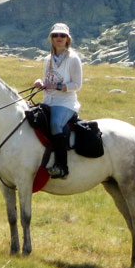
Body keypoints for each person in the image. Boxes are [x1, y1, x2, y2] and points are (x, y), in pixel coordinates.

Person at [33, 23, 82, 179]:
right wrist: (41, 83)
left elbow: (77, 85)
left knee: (55, 124)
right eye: (55, 35)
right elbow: (48, 79)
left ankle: (62, 166)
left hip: (66, 103)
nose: (59, 38)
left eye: (62, 35)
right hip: (48, 100)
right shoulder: (47, 59)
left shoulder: (73, 59)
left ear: (68, 38)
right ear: (51, 38)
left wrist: (58, 86)